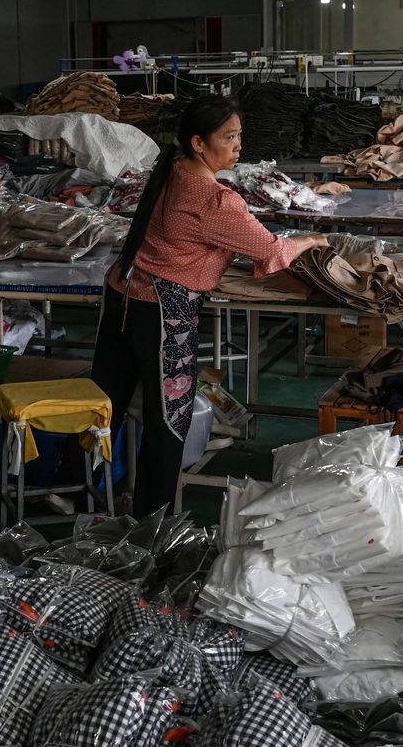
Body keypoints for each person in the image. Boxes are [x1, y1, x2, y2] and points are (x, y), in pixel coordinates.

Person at [91, 95, 326, 516]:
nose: (238, 146)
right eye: (230, 137)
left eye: (240, 136)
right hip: (163, 311)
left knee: (103, 406)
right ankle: (152, 520)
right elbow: (268, 250)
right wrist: (310, 240)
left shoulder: (171, 172)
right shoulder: (216, 200)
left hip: (122, 294)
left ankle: (79, 490)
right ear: (199, 143)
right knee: (168, 421)